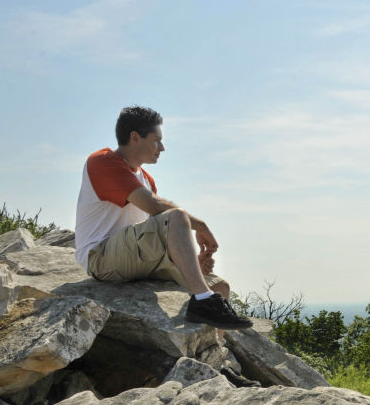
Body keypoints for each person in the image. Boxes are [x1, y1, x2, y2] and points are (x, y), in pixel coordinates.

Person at [75, 106, 252, 330]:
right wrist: (199, 225)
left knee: (220, 287)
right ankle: (203, 301)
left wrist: (189, 260)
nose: (162, 147)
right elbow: (156, 208)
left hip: (132, 259)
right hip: (100, 257)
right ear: (135, 137)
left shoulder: (146, 179)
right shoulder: (102, 162)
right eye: (157, 140)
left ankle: (214, 355)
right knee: (176, 216)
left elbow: (156, 234)